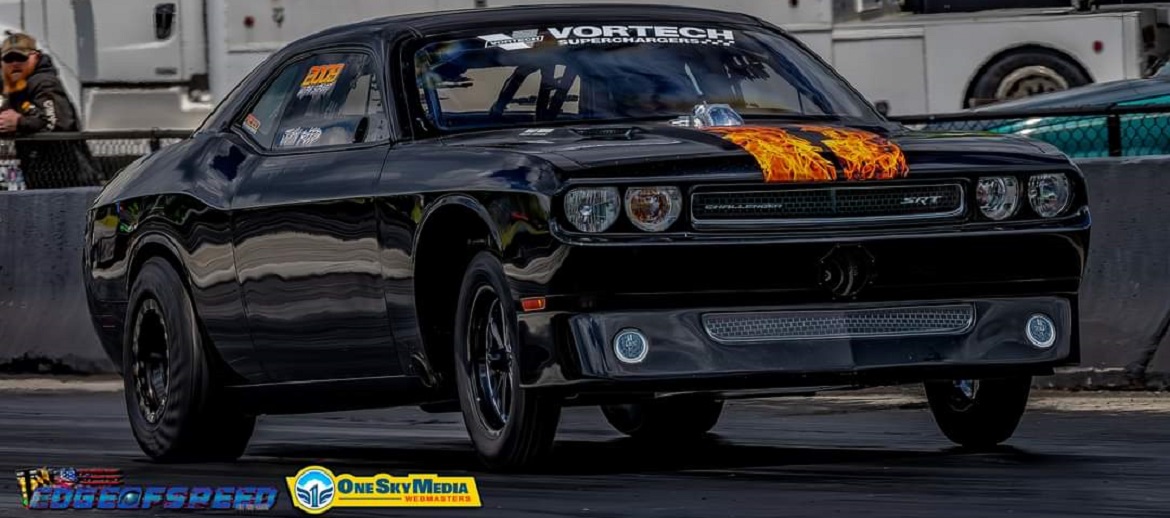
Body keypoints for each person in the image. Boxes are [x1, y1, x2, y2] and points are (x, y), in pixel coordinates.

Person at [0, 32, 99, 188]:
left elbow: (57, 123)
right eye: (8, 59)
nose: (15, 64)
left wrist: (19, 122)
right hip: (40, 178)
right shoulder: (15, 89)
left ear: (35, 57)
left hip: (69, 179)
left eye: (21, 58)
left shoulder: (44, 82)